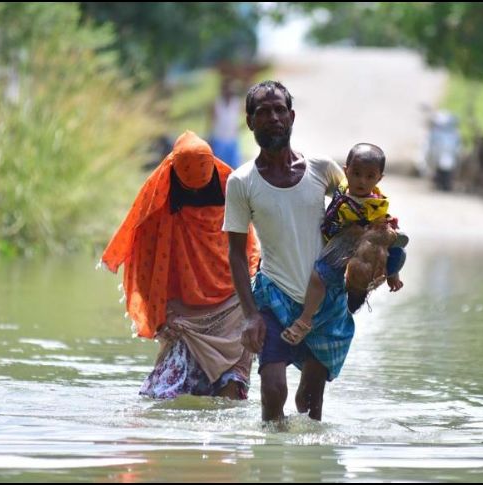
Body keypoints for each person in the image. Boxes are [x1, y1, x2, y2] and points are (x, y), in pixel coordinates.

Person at [223, 80, 350, 422]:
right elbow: (235, 253)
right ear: (250, 122)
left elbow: (362, 209)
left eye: (280, 110)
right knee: (272, 390)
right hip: (272, 295)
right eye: (263, 112)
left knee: (310, 403)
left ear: (292, 117)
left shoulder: (323, 170)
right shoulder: (241, 181)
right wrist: (250, 315)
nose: (273, 118)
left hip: (322, 301)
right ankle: (268, 463)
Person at [101, 130, 260, 400]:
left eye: (202, 184)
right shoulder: (159, 202)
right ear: (177, 175)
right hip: (182, 318)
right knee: (162, 395)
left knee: (231, 392)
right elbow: (145, 266)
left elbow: (246, 250)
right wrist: (161, 315)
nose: (198, 192)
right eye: (191, 188)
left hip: (232, 307)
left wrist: (252, 311)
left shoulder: (231, 189)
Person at [281, 143, 408, 345]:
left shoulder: (376, 203)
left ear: (379, 179)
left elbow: (385, 237)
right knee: (318, 276)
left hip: (365, 249)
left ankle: (384, 277)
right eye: (356, 174)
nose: (361, 181)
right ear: (346, 171)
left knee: (398, 252)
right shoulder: (341, 189)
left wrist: (394, 274)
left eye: (369, 176)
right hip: (340, 245)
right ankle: (305, 320)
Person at [209, 76, 243, 169]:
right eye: (226, 88)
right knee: (220, 167)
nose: (229, 91)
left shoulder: (236, 103)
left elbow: (247, 115)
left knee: (234, 167)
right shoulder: (216, 103)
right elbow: (211, 121)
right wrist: (210, 137)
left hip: (232, 139)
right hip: (219, 140)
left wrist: (241, 127)